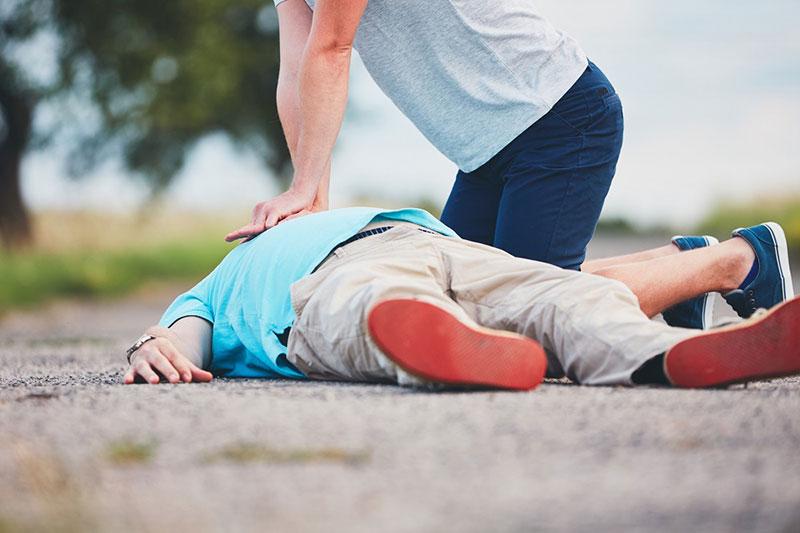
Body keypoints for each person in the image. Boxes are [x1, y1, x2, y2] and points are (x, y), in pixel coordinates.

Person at [123, 207, 798, 390]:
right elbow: (178, 338)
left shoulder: (320, 210)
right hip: (336, 279)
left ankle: (673, 351)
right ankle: (456, 346)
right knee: (377, 300)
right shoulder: (215, 284)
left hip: (438, 243)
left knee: (561, 294)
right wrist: (154, 346)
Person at [225, 1, 623, 273]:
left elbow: (331, 48)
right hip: (483, 155)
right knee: (455, 310)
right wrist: (313, 203)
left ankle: (686, 266)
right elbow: (297, 71)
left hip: (558, 117)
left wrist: (302, 187)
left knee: (528, 317)